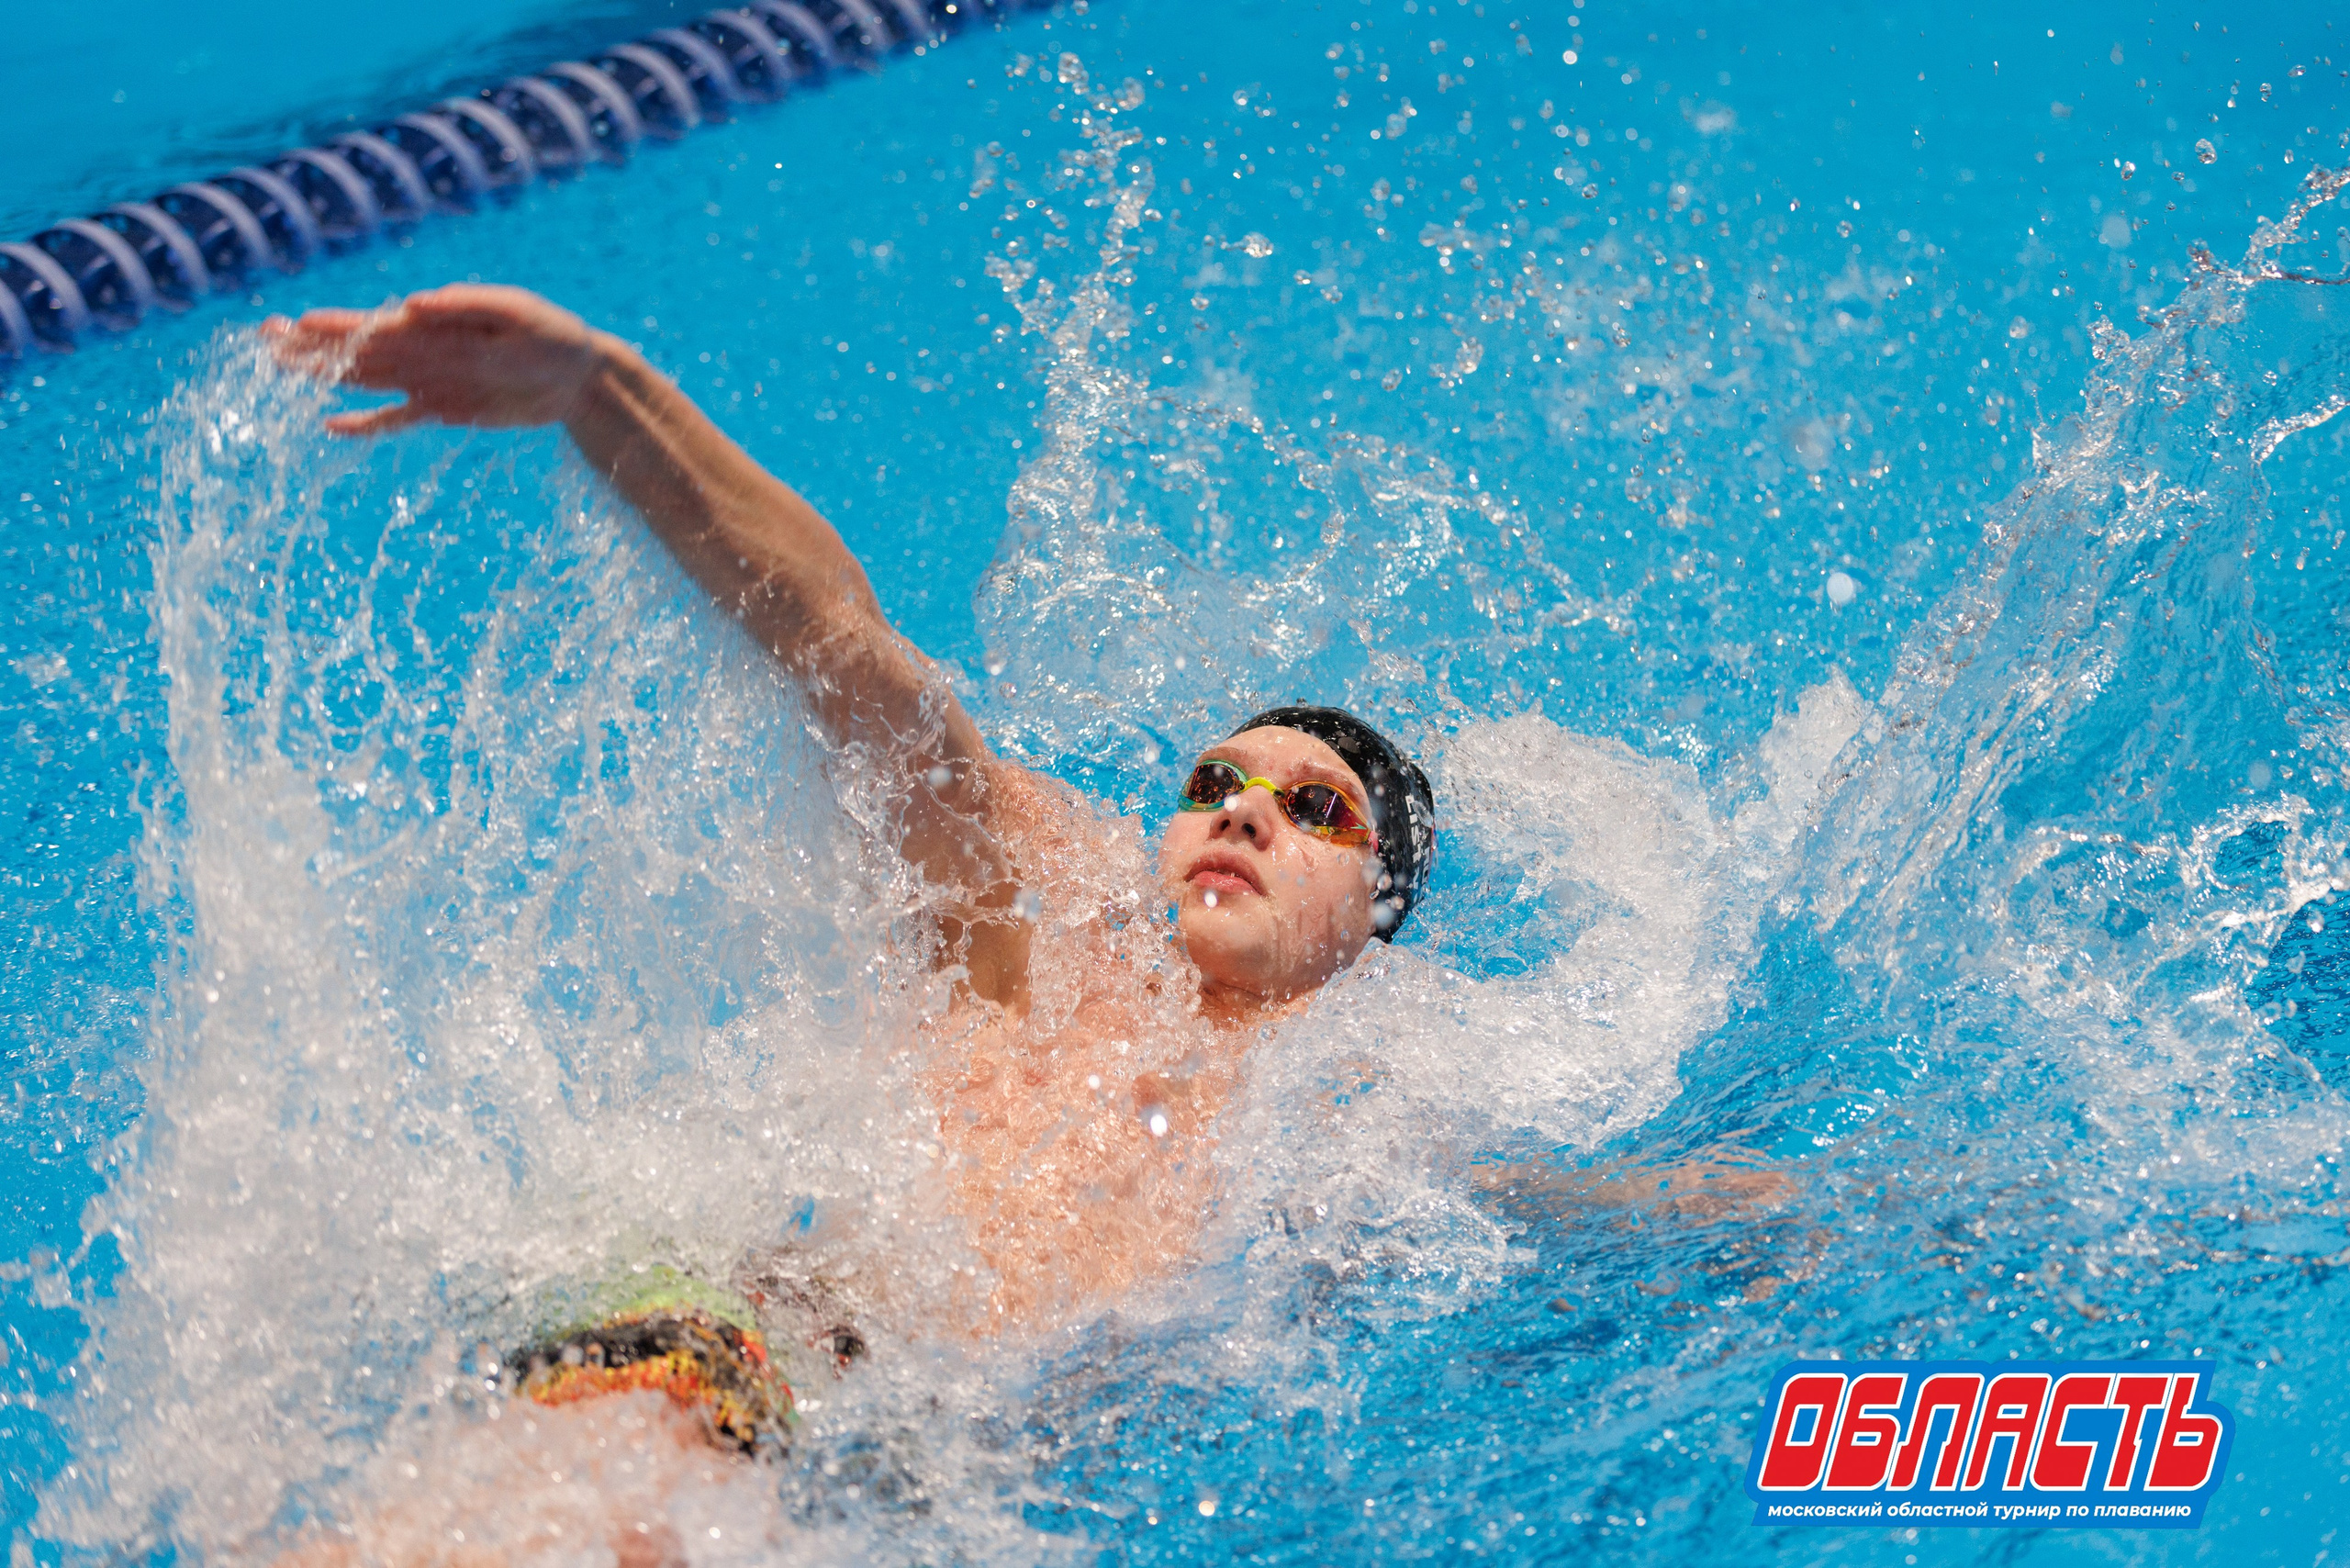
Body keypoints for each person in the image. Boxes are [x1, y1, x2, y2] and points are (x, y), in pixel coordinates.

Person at [263, 288, 1778, 1551]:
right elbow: (852, 659)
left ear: (1375, 919)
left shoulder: (1365, 1128)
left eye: (1316, 812)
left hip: (879, 1492)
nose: (1245, 812)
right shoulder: (1028, 957)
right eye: (1218, 784)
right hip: (732, 1363)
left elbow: (1601, 1208)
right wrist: (605, 394)